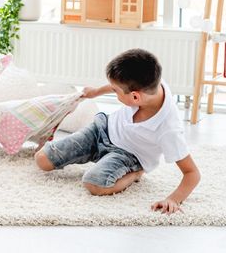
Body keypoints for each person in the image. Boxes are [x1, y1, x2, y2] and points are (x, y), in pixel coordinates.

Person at [34, 48, 200, 214]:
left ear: (135, 97)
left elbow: (192, 173)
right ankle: (93, 156)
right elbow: (120, 84)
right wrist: (95, 92)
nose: (114, 93)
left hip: (127, 155)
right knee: (42, 159)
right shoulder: (149, 82)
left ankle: (135, 174)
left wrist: (173, 199)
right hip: (102, 129)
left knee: (94, 184)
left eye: (115, 92)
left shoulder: (169, 129)